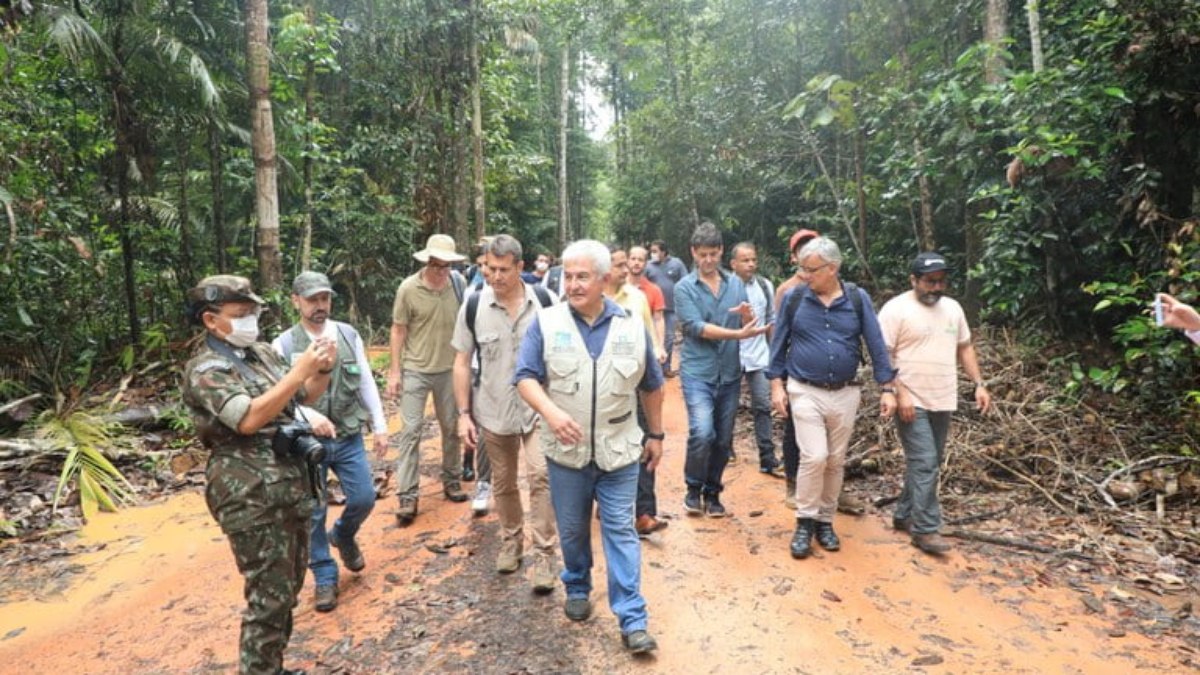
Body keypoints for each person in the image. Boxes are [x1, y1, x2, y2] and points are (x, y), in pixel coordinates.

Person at [514, 239, 665, 655]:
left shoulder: (632, 325)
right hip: (567, 455)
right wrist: (551, 413)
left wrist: (656, 434)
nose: (574, 284)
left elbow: (652, 384)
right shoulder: (546, 323)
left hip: (619, 451)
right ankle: (577, 582)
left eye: (583, 276)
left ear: (605, 279)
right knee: (575, 529)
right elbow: (525, 376)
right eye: (568, 275)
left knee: (619, 529)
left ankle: (633, 618)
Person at [182, 275, 335, 675]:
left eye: (253, 313)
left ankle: (272, 667)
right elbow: (247, 418)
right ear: (211, 321)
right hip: (247, 492)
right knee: (267, 597)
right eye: (240, 314)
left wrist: (321, 370)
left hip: (288, 483)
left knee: (286, 590)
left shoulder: (261, 354)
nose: (250, 320)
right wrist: (299, 371)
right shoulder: (205, 369)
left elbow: (301, 398)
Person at [767, 237, 897, 560]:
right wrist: (776, 386)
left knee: (835, 459)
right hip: (804, 388)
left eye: (811, 270)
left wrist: (887, 387)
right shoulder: (795, 298)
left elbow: (875, 343)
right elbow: (778, 342)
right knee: (814, 456)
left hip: (845, 391)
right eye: (802, 269)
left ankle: (825, 520)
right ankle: (804, 522)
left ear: (832, 268)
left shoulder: (856, 299)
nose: (804, 275)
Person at [270, 272, 386, 613]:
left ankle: (345, 534)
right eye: (312, 300)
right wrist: (308, 418)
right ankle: (323, 575)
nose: (320, 306)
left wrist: (380, 426)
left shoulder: (348, 334)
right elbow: (283, 399)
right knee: (314, 511)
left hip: (349, 434)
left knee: (364, 497)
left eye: (324, 299)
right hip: (308, 443)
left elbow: (365, 380)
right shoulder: (284, 345)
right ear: (295, 301)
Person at [452, 235, 559, 592]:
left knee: (542, 475)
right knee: (503, 481)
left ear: (520, 267)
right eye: (489, 269)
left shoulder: (545, 302)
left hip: (537, 408)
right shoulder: (473, 306)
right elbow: (462, 362)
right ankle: (511, 542)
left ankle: (545, 555)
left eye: (502, 269)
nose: (494, 276)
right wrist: (464, 414)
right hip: (493, 409)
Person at [878, 253, 992, 555]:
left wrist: (979, 384)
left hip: (944, 396)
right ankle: (926, 529)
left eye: (941, 281)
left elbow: (965, 347)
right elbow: (883, 355)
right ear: (913, 280)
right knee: (926, 461)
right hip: (911, 399)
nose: (936, 287)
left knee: (929, 460)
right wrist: (895, 391)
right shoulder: (896, 309)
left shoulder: (953, 309)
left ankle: (903, 514)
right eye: (929, 281)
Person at [675, 222, 770, 518]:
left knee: (722, 438)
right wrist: (737, 335)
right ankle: (693, 487)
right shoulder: (684, 288)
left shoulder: (735, 284)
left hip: (729, 373)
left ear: (720, 253)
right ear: (693, 253)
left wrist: (747, 318)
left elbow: (747, 324)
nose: (708, 260)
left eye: (713, 254)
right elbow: (696, 327)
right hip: (697, 372)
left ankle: (713, 491)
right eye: (702, 255)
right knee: (702, 432)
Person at [387, 234, 469, 525]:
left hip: (449, 370)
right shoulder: (408, 289)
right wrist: (395, 372)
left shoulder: (458, 286)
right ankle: (407, 495)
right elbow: (398, 330)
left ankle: (452, 479)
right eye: (435, 265)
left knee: (451, 427)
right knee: (410, 431)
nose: (440, 271)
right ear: (426, 262)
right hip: (416, 369)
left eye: (446, 265)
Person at [607, 245, 667, 536]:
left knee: (644, 442)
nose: (625, 269)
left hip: (635, 382)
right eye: (618, 264)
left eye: (625, 263)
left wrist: (657, 350)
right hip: (605, 391)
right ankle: (603, 499)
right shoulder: (582, 300)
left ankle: (645, 513)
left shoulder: (638, 297)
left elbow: (648, 337)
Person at [773, 229, 820, 505]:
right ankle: (793, 482)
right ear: (793, 257)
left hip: (828, 375)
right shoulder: (787, 291)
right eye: (801, 249)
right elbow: (779, 336)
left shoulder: (835, 286)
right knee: (794, 426)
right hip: (796, 370)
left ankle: (831, 488)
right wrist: (777, 378)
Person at [729, 241, 784, 478]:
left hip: (759, 355)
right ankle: (725, 448)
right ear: (733, 263)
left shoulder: (765, 285)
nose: (751, 264)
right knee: (727, 406)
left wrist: (775, 355)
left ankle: (767, 456)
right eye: (745, 260)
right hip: (731, 354)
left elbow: (771, 319)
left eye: (753, 259)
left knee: (762, 405)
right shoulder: (724, 287)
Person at [646, 239, 689, 375]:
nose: (652, 254)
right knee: (652, 338)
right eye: (651, 251)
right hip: (653, 310)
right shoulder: (648, 266)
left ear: (663, 252)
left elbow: (685, 281)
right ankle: (652, 370)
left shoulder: (677, 264)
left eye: (655, 251)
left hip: (671, 308)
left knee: (669, 338)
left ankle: (666, 368)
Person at [627, 245, 668, 365]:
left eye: (640, 260)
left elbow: (659, 319)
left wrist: (660, 347)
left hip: (645, 345)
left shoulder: (654, 290)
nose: (636, 263)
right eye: (633, 259)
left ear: (645, 263)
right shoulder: (618, 289)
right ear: (627, 261)